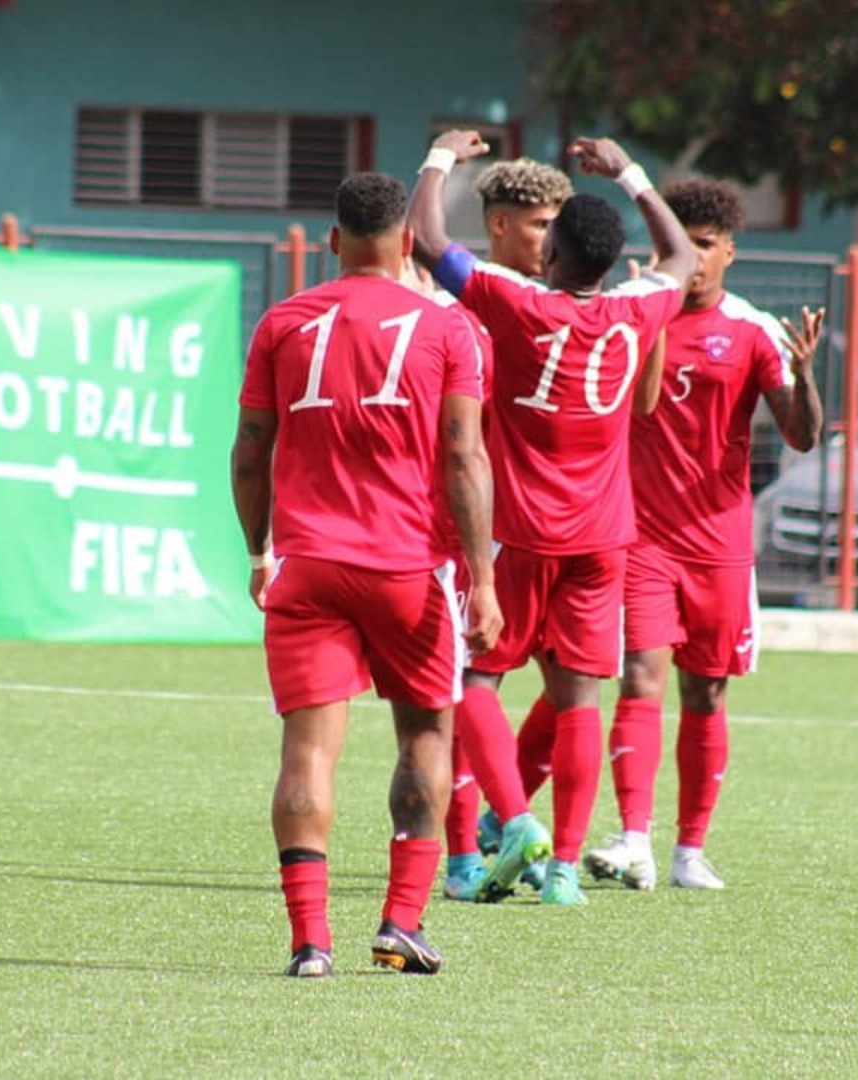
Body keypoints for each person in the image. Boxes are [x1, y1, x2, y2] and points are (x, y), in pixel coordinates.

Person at [508, 179, 825, 891]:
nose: (695, 260)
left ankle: (690, 850)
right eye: (684, 246)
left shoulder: (753, 331)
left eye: (707, 246)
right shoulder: (634, 313)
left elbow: (803, 436)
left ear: (729, 253)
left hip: (720, 543)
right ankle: (633, 841)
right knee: (639, 678)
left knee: (707, 693)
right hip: (637, 535)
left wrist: (804, 378)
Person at [408, 127, 696, 906]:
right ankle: (563, 869)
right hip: (605, 536)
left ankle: (508, 825)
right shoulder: (639, 308)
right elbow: (682, 260)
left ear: (556, 250)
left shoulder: (521, 301)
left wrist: (439, 158)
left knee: (473, 679)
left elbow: (429, 240)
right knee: (579, 702)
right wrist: (633, 172)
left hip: (520, 533)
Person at [231, 172, 501, 976]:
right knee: (425, 732)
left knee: (307, 753)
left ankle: (310, 943)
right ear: (407, 242)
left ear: (332, 239)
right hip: (407, 568)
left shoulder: (284, 322)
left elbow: (249, 450)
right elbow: (463, 455)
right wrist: (482, 578)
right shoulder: (445, 329)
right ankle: (400, 923)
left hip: (308, 565)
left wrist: (258, 551)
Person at [437, 158, 574, 904]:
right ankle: (465, 852)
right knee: (461, 685)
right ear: (499, 226)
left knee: (563, 686)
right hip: (482, 531)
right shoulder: (466, 313)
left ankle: (504, 817)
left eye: (558, 226)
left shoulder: (566, 309)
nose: (551, 241)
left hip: (560, 532)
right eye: (540, 226)